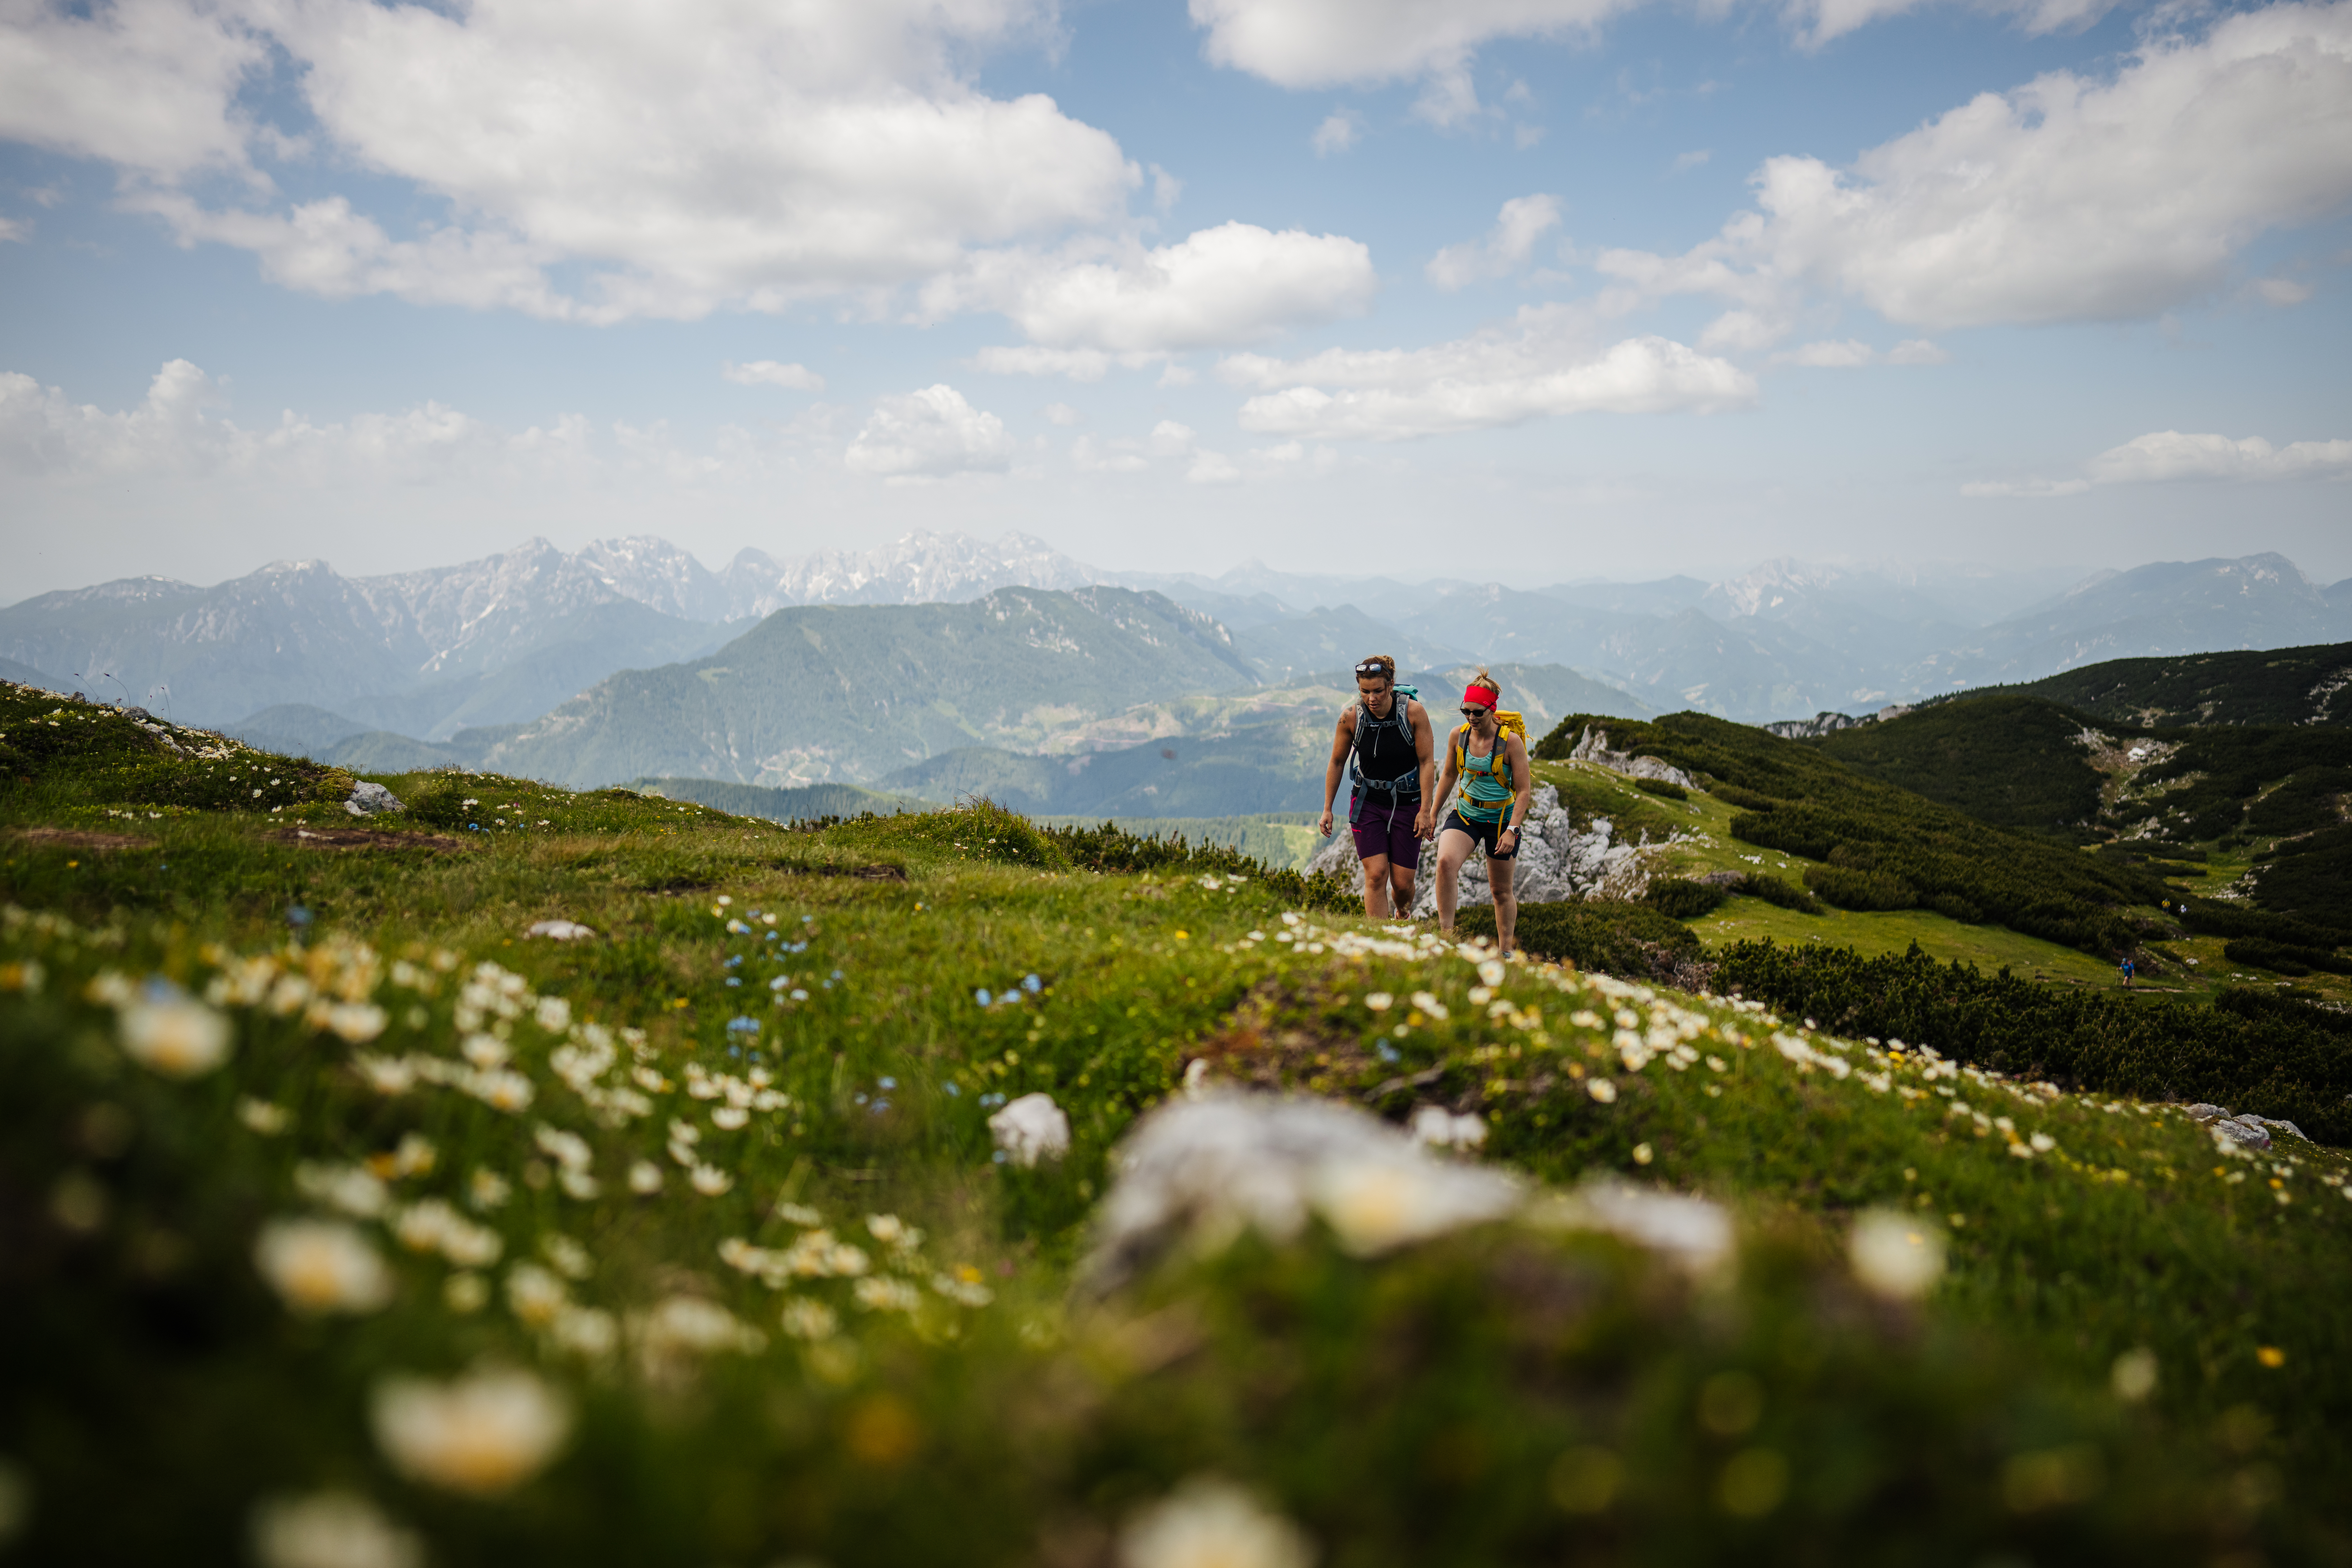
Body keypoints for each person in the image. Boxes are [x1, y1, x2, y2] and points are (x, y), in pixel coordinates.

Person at [1318, 655, 1436, 919]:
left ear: (1391, 685)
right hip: (1367, 801)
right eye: (1365, 691)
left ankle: (1402, 914)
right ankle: (1380, 942)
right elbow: (1337, 762)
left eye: (1378, 691)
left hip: (1408, 803)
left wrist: (1426, 810)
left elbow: (1427, 761)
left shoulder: (1413, 713)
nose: (1371, 698)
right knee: (1375, 876)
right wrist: (1327, 808)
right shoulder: (1350, 718)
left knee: (1403, 886)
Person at [1431, 670, 1534, 954]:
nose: (1471, 717)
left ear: (1492, 709)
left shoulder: (1510, 742)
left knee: (1501, 892)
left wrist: (1513, 831)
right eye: (1466, 711)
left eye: (1477, 712)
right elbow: (1449, 774)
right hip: (1465, 815)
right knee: (1445, 864)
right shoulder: (1458, 736)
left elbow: (1524, 791)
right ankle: (1446, 938)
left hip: (1501, 821)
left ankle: (1505, 952)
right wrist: (1433, 813)